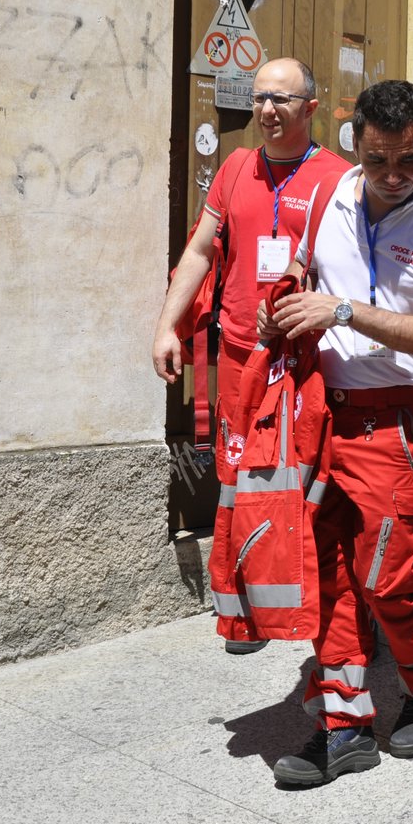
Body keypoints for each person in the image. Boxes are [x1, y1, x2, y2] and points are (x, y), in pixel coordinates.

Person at [258, 79, 413, 786]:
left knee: (386, 573)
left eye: (408, 160)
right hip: (322, 412)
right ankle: (343, 723)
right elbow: (305, 267)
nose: (392, 175)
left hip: (392, 417)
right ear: (357, 144)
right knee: (326, 573)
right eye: (380, 158)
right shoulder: (334, 194)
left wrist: (344, 313)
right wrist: (289, 297)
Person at [152, 57, 352, 655]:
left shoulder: (338, 179)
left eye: (283, 100)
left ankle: (312, 605)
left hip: (301, 365)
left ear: (310, 108)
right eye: (261, 97)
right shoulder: (237, 168)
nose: (268, 110)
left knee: (298, 485)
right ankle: (241, 613)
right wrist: (168, 326)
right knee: (235, 482)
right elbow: (199, 254)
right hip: (239, 356)